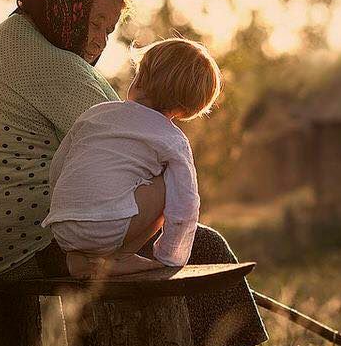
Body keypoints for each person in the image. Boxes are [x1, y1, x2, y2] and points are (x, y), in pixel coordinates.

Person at [0, 0, 267, 346]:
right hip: (23, 243)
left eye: (108, 32)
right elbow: (138, 151)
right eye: (95, 23)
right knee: (203, 248)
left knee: (134, 232)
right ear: (66, 9)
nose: (99, 40)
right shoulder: (54, 67)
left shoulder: (9, 42)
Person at [42, 38, 222, 278]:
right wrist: (170, 257)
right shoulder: (172, 139)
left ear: (138, 81)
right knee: (169, 185)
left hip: (62, 227)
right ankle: (121, 256)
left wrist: (64, 209)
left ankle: (79, 259)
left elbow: (58, 167)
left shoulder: (95, 114)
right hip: (108, 228)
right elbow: (185, 203)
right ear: (186, 109)